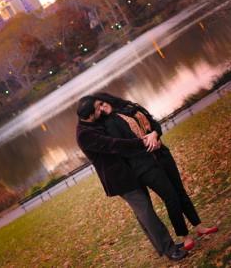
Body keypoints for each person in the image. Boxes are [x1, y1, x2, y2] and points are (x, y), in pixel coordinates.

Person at [92, 92, 218, 251]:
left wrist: (155, 134)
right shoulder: (109, 124)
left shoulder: (130, 107)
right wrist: (148, 144)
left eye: (102, 104)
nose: (102, 109)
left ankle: (199, 227)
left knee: (180, 191)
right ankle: (185, 237)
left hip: (162, 154)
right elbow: (124, 148)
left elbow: (153, 123)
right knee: (170, 197)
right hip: (144, 166)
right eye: (98, 108)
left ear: (109, 99)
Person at [75, 96, 187, 261]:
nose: (101, 109)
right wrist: (142, 142)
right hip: (120, 179)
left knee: (143, 212)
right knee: (146, 212)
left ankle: (162, 247)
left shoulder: (93, 123)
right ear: (91, 113)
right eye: (98, 107)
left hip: (130, 171)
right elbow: (113, 144)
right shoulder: (84, 134)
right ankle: (169, 249)